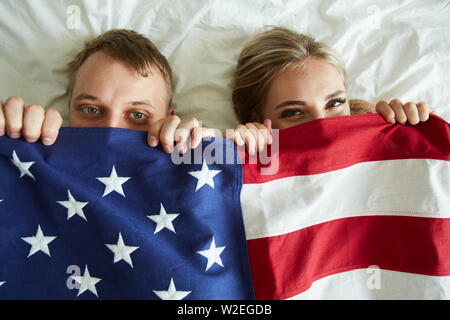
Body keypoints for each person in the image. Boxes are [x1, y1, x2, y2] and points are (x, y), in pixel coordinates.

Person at [227, 27, 435, 154]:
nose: (323, 124)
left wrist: (421, 137)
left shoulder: (389, 140)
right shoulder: (245, 159)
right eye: (293, 112)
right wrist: (232, 153)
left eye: (335, 103)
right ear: (258, 118)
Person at [0, 29, 209, 154]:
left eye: (138, 115)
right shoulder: (31, 155)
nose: (110, 130)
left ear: (169, 118)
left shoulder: (189, 162)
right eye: (91, 110)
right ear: (69, 107)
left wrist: (210, 150)